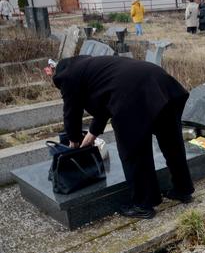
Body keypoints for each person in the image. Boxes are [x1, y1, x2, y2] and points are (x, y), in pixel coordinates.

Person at [48, 56, 195, 219]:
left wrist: (73, 141)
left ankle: (142, 204)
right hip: (161, 82)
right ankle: (183, 190)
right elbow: (105, 101)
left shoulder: (68, 77)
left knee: (133, 151)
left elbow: (71, 112)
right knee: (172, 142)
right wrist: (92, 134)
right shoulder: (91, 66)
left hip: (132, 95)